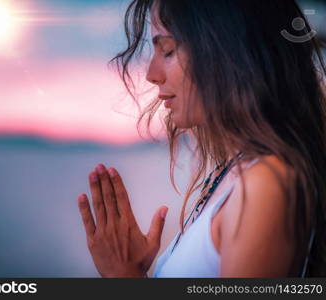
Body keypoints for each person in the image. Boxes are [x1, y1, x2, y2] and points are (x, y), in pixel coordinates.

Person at [77, 0, 326, 277]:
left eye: (167, 50)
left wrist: (124, 279)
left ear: (227, 51)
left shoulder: (265, 184)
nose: (151, 75)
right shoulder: (237, 172)